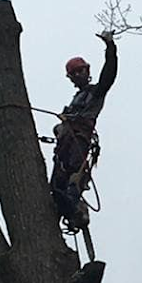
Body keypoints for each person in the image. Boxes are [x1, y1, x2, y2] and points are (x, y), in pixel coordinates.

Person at [50, 31, 118, 224]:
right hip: (64, 142)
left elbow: (109, 74)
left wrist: (110, 47)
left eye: (81, 71)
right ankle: (61, 204)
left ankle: (72, 201)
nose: (79, 75)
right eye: (74, 73)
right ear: (70, 78)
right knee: (58, 180)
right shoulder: (74, 101)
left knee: (75, 169)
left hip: (80, 138)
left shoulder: (96, 92)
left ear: (87, 72)